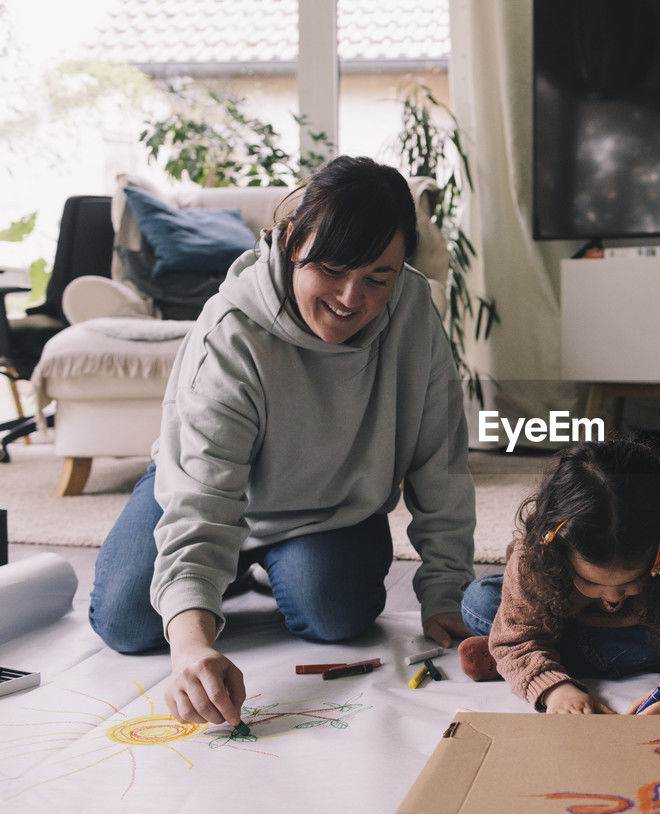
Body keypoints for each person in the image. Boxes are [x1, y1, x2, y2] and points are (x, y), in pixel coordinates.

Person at [89, 156, 476, 728]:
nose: (351, 298)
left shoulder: (414, 312)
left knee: (338, 615)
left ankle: (257, 565)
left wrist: (445, 593)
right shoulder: (230, 334)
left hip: (330, 508)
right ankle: (233, 568)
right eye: (333, 267)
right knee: (127, 623)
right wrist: (193, 645)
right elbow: (200, 504)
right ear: (292, 240)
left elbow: (439, 466)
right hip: (209, 491)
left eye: (378, 277)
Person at [458, 439, 660, 715]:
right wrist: (555, 690)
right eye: (591, 582)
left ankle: (536, 659)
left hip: (640, 633)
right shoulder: (538, 554)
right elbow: (516, 638)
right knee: (479, 601)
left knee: (655, 647)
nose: (612, 597)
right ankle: (540, 659)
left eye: (628, 583)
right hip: (561, 623)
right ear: (559, 550)